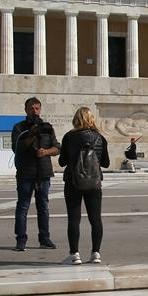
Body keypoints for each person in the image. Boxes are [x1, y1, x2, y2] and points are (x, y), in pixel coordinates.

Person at [58, 107, 110, 266]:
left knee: (74, 218)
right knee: (96, 219)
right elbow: (106, 163)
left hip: (73, 182)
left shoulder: (69, 137)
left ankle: (74, 254)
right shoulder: (100, 138)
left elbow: (62, 162)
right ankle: (96, 253)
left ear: (76, 119)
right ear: (92, 119)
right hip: (94, 183)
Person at [11, 97, 59, 252]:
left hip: (43, 172)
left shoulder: (47, 127)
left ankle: (44, 238)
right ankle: (21, 239)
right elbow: (17, 148)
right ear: (26, 109)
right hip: (26, 172)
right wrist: (31, 133)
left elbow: (57, 147)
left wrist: (46, 151)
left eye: (37, 108)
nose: (34, 111)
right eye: (31, 108)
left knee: (43, 207)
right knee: (23, 206)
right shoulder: (19, 128)